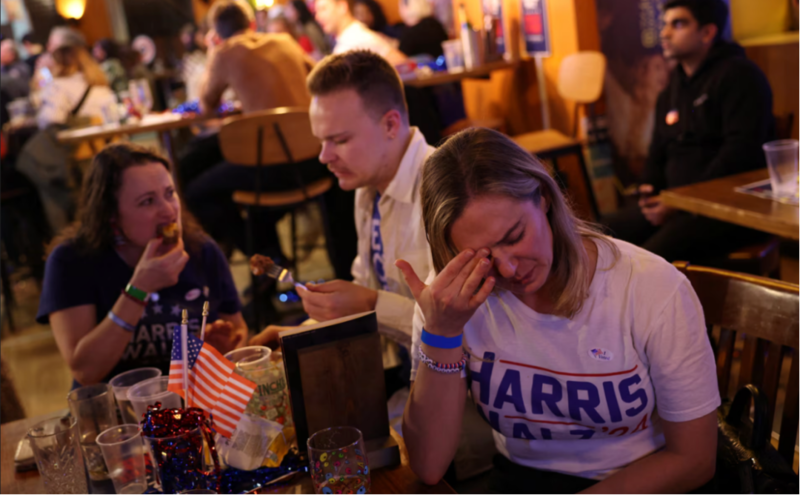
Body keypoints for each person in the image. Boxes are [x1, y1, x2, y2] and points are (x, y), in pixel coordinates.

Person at [399, 128, 719, 494]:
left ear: (545, 198)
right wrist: (442, 333)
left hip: (644, 480)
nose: (508, 269)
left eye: (514, 236)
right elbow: (428, 465)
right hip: (522, 477)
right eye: (480, 257)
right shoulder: (448, 302)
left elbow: (694, 459)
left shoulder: (650, 287)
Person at [250, 50, 433, 355]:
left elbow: (466, 330)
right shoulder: (368, 185)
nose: (324, 157)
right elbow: (366, 286)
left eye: (340, 140)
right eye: (322, 140)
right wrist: (299, 336)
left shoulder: (446, 194)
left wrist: (371, 304)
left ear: (390, 125)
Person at [37, 143, 247, 387]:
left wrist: (220, 352)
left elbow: (238, 335)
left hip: (191, 399)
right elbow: (85, 372)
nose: (168, 211)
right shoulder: (71, 261)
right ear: (111, 215)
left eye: (170, 193)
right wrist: (139, 288)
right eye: (147, 201)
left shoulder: (202, 250)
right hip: (117, 407)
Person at [183, 0, 352, 279]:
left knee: (195, 192)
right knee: (246, 196)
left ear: (217, 33)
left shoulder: (225, 51)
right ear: (251, 24)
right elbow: (322, 79)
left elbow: (205, 106)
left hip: (270, 171)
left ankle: (267, 257)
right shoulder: (284, 41)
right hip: (315, 161)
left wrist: (214, 52)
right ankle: (272, 260)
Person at [603, 0, 773, 263]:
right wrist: (649, 190)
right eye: (665, 24)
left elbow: (739, 156)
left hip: (725, 211)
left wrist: (680, 203)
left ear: (707, 32)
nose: (665, 33)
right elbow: (657, 151)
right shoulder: (671, 89)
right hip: (676, 205)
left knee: (646, 262)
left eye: (678, 24)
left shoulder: (741, 76)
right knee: (597, 234)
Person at [34, 43, 117, 129]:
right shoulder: (99, 82)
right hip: (105, 133)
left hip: (76, 136)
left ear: (59, 64)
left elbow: (48, 120)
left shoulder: (58, 85)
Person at [314, 0, 407, 65]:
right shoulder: (349, 39)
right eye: (316, 11)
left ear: (342, 7)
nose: (318, 17)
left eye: (323, 9)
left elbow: (403, 65)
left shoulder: (357, 38)